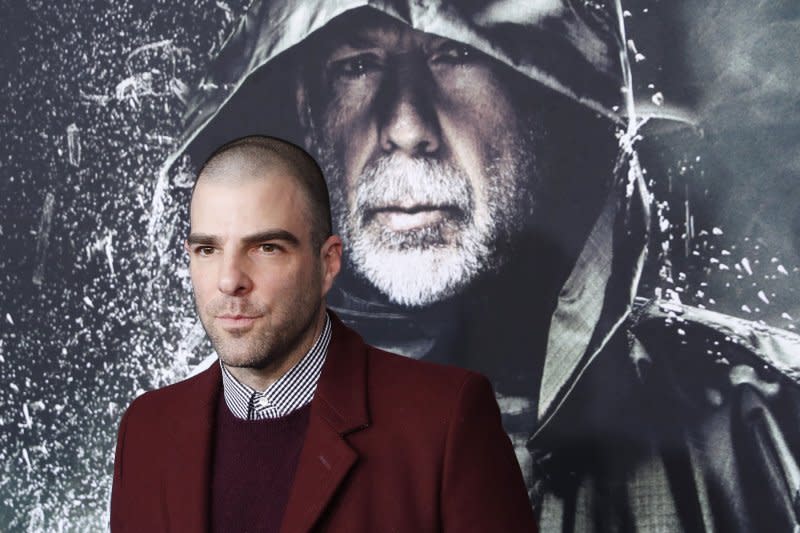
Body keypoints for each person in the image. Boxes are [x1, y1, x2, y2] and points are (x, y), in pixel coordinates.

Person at [160, 2, 800, 531]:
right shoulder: (209, 468)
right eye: (357, 66)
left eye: (454, 55)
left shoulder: (762, 443)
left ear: (551, 89)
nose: (405, 124)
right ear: (304, 115)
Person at [111, 135, 537, 532]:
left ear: (328, 263)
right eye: (208, 249)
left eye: (266, 248)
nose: (229, 280)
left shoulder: (446, 421)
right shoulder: (147, 430)